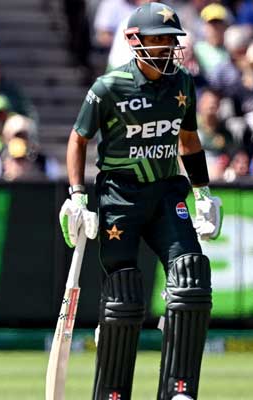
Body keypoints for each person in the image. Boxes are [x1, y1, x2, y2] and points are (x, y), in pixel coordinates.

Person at [59, 4, 223, 400]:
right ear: (135, 42)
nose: (167, 47)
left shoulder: (182, 83)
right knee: (124, 296)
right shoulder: (108, 87)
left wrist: (202, 192)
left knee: (192, 277)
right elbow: (79, 139)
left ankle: (179, 389)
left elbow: (188, 140)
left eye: (171, 40)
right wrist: (77, 196)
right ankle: (112, 392)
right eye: (158, 39)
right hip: (121, 196)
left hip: (167, 193)